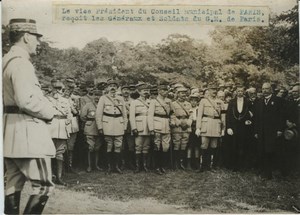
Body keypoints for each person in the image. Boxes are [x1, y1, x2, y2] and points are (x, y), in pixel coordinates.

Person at [3, 18, 56, 214]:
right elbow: (26, 101)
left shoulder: (6, 61)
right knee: (43, 186)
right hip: (28, 135)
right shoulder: (21, 63)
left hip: (10, 133)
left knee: (12, 185)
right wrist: (50, 112)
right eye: (35, 38)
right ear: (26, 37)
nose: (38, 42)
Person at [96, 79, 128, 174]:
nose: (113, 88)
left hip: (119, 123)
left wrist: (125, 126)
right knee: (109, 145)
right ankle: (110, 167)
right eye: (111, 86)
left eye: (114, 86)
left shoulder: (121, 99)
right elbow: (98, 114)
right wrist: (100, 127)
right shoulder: (103, 98)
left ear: (117, 88)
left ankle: (116, 166)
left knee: (118, 145)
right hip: (107, 124)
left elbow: (125, 114)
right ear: (108, 88)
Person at [254, 82, 285, 179]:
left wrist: (280, 129)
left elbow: (281, 117)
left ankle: (269, 173)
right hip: (261, 131)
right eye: (263, 89)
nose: (264, 91)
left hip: (272, 131)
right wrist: (256, 131)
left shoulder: (278, 100)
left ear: (271, 89)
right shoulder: (259, 101)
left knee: (270, 151)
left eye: (266, 89)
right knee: (262, 151)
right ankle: (263, 170)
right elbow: (256, 118)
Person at [48, 79, 72, 186]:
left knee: (60, 153)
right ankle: (48, 177)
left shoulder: (66, 101)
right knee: (48, 153)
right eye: (56, 88)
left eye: (60, 89)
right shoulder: (46, 100)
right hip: (50, 126)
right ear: (51, 89)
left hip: (62, 127)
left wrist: (68, 123)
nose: (58, 91)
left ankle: (59, 177)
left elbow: (69, 114)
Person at [195, 86, 225, 172]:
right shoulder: (203, 101)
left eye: (215, 90)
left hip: (216, 125)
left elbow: (223, 116)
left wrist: (223, 128)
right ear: (208, 90)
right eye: (212, 90)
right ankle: (203, 166)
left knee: (214, 146)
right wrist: (198, 127)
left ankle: (211, 166)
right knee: (204, 146)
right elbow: (199, 115)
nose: (214, 92)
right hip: (206, 125)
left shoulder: (220, 102)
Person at [226, 85, 253, 171]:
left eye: (241, 91)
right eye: (238, 91)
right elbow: (228, 116)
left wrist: (249, 120)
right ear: (236, 92)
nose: (240, 92)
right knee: (234, 145)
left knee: (244, 146)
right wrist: (229, 127)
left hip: (244, 127)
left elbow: (252, 114)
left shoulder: (248, 101)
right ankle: (234, 165)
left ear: (244, 92)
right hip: (234, 127)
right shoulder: (231, 102)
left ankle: (243, 166)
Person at [148, 83, 172, 175]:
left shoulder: (169, 101)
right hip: (156, 125)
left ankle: (163, 165)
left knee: (165, 147)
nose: (165, 92)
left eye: (166, 90)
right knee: (157, 146)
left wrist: (172, 121)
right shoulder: (154, 101)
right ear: (158, 91)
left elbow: (172, 113)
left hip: (166, 125)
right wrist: (151, 128)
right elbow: (150, 115)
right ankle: (157, 166)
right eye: (163, 90)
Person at [130, 83, 151, 173]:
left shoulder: (150, 102)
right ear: (139, 92)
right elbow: (131, 116)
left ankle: (144, 165)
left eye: (147, 90)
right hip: (139, 126)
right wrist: (134, 128)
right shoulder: (134, 102)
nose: (146, 92)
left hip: (148, 126)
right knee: (138, 146)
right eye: (144, 90)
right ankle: (138, 166)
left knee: (146, 146)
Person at [81, 89, 103, 172]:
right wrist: (90, 121)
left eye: (99, 95)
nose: (97, 97)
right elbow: (82, 116)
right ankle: (89, 166)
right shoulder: (88, 105)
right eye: (95, 95)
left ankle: (96, 165)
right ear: (92, 96)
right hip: (90, 127)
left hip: (99, 128)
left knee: (97, 148)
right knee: (90, 147)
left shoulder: (102, 105)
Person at [170, 87, 192, 170]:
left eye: (185, 93)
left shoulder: (188, 104)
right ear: (177, 94)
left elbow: (191, 115)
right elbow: (172, 115)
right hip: (177, 127)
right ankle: (176, 163)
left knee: (184, 144)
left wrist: (187, 123)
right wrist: (179, 123)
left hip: (186, 126)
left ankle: (182, 163)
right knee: (177, 144)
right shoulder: (173, 104)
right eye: (182, 93)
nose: (184, 94)